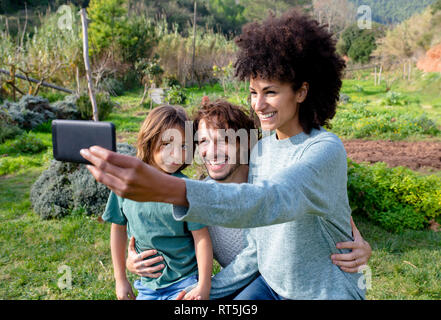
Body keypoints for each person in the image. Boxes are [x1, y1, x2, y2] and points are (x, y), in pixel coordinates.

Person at [81, 9, 369, 299]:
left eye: (270, 92)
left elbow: (272, 199)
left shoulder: (324, 149)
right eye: (253, 93)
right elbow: (258, 243)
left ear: (302, 92)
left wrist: (167, 188)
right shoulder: (263, 150)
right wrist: (203, 291)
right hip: (269, 286)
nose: (258, 104)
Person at [125, 100, 372, 300]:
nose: (211, 152)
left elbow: (318, 210)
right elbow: (169, 239)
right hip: (251, 287)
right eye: (203, 141)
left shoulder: (270, 185)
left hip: (293, 285)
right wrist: (134, 260)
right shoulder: (203, 197)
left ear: (247, 144)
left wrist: (359, 244)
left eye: (224, 140)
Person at [101, 105, 213, 300]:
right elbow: (117, 228)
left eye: (184, 146)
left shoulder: (186, 188)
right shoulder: (126, 183)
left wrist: (203, 286)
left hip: (185, 283)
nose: (177, 154)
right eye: (167, 144)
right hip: (147, 286)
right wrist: (120, 279)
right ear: (149, 140)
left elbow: (201, 238)